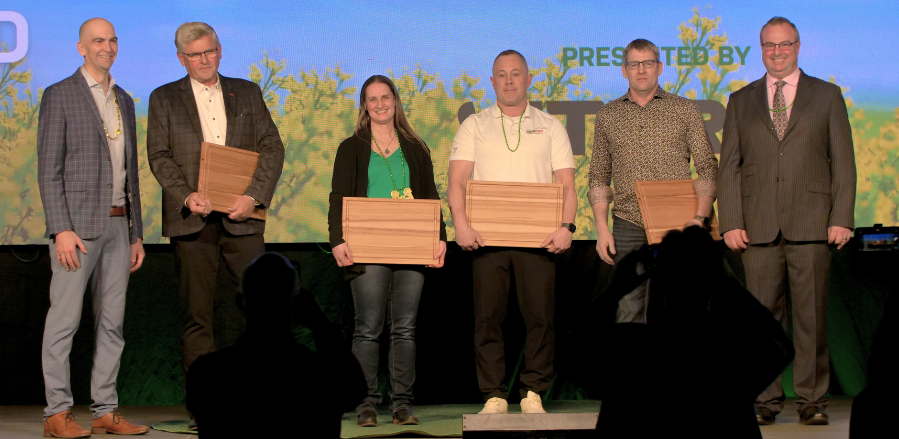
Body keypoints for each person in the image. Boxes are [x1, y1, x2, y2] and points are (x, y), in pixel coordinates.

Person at [718, 16, 856, 426]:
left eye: (784, 44)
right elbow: (729, 168)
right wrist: (730, 221)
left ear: (798, 46)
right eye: (769, 45)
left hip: (813, 223)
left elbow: (844, 164)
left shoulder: (827, 96)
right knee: (763, 325)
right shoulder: (740, 101)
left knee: (812, 318)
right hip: (756, 226)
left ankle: (812, 400)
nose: (777, 52)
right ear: (761, 49)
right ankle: (766, 401)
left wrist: (842, 217)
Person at [146, 21, 285, 425]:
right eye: (195, 55)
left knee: (259, 315)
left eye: (210, 51)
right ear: (181, 59)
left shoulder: (247, 92)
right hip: (192, 221)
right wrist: (187, 196)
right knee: (198, 318)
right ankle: (205, 412)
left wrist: (253, 196)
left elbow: (272, 147)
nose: (204, 60)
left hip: (243, 220)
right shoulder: (164, 98)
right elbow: (159, 156)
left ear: (220, 51)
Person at [447, 50, 576, 414]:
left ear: (528, 79)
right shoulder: (474, 124)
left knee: (540, 319)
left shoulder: (551, 126)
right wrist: (460, 224)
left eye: (515, 74)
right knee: (488, 319)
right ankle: (494, 394)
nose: (508, 81)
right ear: (492, 82)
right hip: (486, 239)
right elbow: (457, 180)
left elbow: (566, 183)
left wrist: (566, 227)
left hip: (539, 238)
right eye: (501, 75)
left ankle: (533, 390)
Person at [37, 17, 149, 437]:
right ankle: (56, 413)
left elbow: (129, 172)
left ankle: (105, 409)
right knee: (64, 321)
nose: (107, 46)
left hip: (120, 228)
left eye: (112, 40)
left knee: (112, 324)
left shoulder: (124, 99)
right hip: (76, 232)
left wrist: (136, 232)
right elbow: (49, 170)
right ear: (81, 47)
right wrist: (60, 228)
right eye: (98, 40)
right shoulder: (60, 95)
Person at [328, 74, 447, 427]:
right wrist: (337, 239)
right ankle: (365, 403)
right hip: (366, 247)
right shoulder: (351, 147)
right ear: (364, 106)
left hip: (411, 246)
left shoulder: (416, 146)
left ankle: (402, 404)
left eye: (385, 97)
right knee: (368, 328)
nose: (379, 104)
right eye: (372, 98)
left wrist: (438, 236)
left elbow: (430, 197)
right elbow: (338, 197)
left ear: (395, 101)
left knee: (405, 329)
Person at [588, 38, 718, 323]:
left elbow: (708, 167)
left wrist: (700, 218)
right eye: (634, 64)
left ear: (659, 67)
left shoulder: (685, 110)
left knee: (682, 307)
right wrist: (601, 227)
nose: (641, 70)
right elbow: (598, 175)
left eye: (647, 63)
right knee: (629, 307)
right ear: (624, 71)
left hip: (679, 224)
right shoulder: (608, 115)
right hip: (627, 221)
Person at [186, 253, 365, 438]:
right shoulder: (319, 374)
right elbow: (354, 392)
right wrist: (321, 324)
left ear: (240, 303)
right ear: (298, 304)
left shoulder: (208, 374)